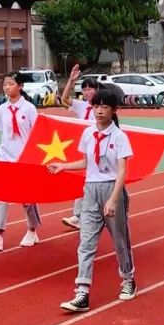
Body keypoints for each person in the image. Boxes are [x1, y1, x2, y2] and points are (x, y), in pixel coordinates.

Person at [49, 88, 136, 312]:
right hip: (90, 190)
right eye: (96, 106)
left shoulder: (119, 137)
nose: (99, 111)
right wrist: (64, 166)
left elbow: (122, 172)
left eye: (104, 107)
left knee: (119, 240)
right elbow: (87, 162)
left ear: (113, 110)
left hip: (111, 189)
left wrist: (114, 200)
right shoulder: (88, 134)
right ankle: (82, 291)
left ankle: (127, 278)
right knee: (86, 243)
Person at [0, 72, 41, 251]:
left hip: (24, 158)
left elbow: (36, 134)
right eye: (5, 84)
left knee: (26, 198)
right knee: (1, 194)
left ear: (20, 86)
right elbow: (5, 134)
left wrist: (32, 157)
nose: (7, 87)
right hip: (5, 156)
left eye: (11, 84)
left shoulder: (29, 108)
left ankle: (32, 229)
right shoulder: (2, 109)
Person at [59, 64, 98, 229]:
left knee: (97, 181)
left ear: (96, 90)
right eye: (85, 89)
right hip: (86, 147)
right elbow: (64, 99)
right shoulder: (83, 106)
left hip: (99, 146)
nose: (87, 92)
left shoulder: (102, 106)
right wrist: (71, 80)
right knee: (85, 180)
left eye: (90, 89)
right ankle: (78, 215)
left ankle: (88, 214)